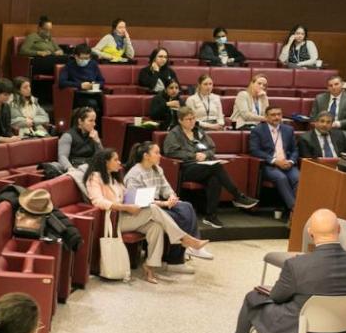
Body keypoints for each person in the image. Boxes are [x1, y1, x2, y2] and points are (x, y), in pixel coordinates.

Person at [219, 208, 346, 333]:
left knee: (252, 298)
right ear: (339, 231)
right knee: (299, 304)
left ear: (310, 233)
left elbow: (277, 297)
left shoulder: (297, 265)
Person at [87, 149, 212, 283]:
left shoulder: (114, 178)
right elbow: (98, 201)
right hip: (114, 220)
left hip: (127, 215)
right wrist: (125, 207)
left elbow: (132, 199)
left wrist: (162, 203)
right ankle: (184, 238)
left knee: (156, 227)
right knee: (152, 209)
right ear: (105, 162)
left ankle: (150, 266)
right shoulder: (94, 177)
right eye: (115, 160)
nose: (120, 163)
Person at [164, 107, 259, 227]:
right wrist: (193, 156)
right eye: (189, 119)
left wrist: (205, 154)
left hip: (204, 167)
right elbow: (170, 152)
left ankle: (211, 216)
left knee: (215, 179)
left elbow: (212, 148)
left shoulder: (198, 132)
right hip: (185, 169)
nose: (192, 121)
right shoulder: (174, 134)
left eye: (193, 118)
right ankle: (238, 196)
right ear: (180, 120)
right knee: (216, 167)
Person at [124, 141, 208, 266]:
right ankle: (176, 260)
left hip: (160, 204)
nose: (160, 156)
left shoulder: (157, 169)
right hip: (146, 210)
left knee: (187, 206)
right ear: (146, 156)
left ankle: (193, 247)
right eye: (157, 153)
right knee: (181, 218)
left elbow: (166, 187)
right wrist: (164, 203)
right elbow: (138, 202)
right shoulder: (134, 175)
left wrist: (172, 197)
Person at [249, 105, 301, 216]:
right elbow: (254, 150)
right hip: (269, 165)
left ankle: (299, 207)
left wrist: (291, 161)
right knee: (281, 178)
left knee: (298, 178)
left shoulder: (288, 129)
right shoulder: (258, 130)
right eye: (273, 115)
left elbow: (295, 150)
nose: (276, 117)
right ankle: (295, 210)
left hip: (287, 164)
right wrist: (274, 161)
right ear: (266, 117)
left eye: (279, 114)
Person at [309, 75, 346, 145]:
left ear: (342, 84)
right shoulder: (319, 98)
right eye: (330, 85)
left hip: (341, 129)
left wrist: (338, 124)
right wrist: (322, 125)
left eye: (336, 84)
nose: (333, 87)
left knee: (340, 137)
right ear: (328, 88)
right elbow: (313, 118)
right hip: (322, 128)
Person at [57, 42, 107, 118]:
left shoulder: (93, 64)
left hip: (94, 94)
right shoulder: (69, 66)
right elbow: (61, 82)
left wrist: (95, 85)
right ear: (76, 56)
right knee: (92, 104)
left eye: (87, 58)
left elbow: (102, 81)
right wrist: (80, 85)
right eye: (82, 58)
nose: (85, 61)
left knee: (106, 103)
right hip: (78, 95)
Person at [54, 106, 103, 173]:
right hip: (75, 168)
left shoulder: (93, 135)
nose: (94, 124)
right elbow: (62, 156)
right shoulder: (68, 136)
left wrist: (98, 142)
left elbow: (101, 158)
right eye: (90, 121)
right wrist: (70, 168)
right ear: (80, 121)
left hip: (90, 168)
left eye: (94, 121)